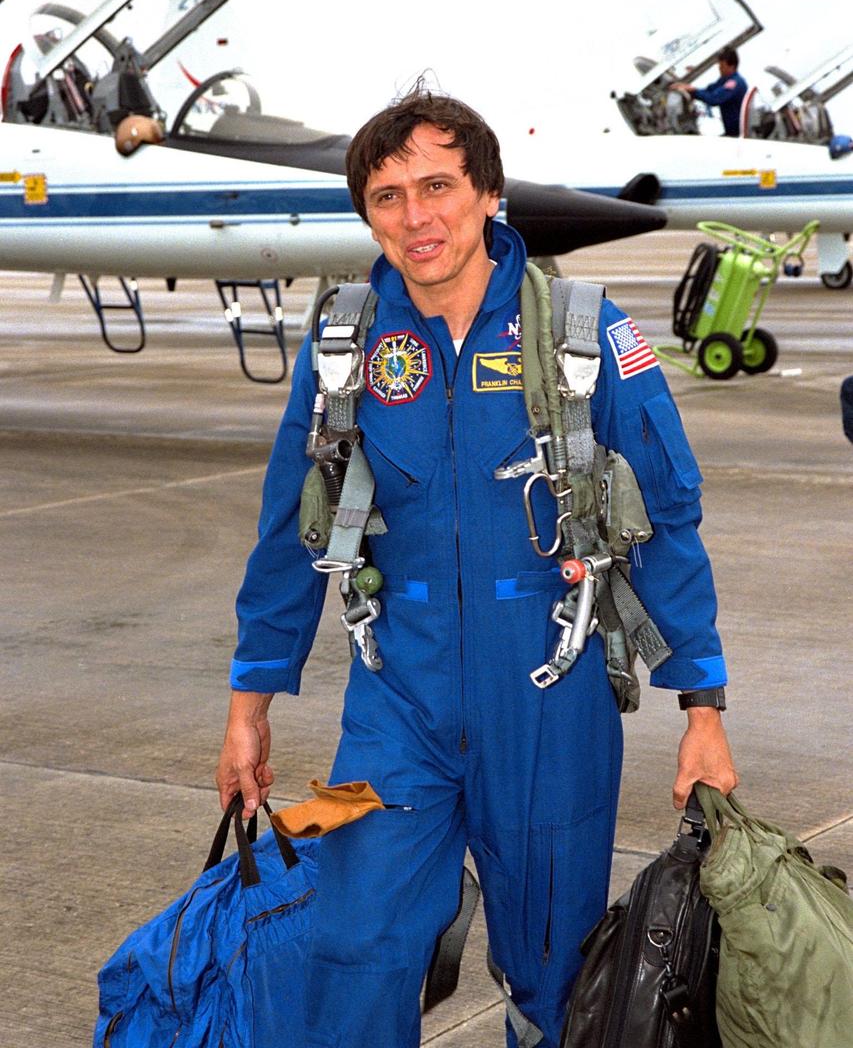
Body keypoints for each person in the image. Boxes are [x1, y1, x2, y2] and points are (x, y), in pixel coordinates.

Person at [215, 89, 738, 1048]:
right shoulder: (344, 342)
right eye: (386, 196)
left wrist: (700, 707)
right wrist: (250, 701)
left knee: (555, 967)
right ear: (365, 213)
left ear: (489, 194)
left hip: (550, 694)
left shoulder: (582, 334)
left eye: (438, 186)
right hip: (392, 703)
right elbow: (291, 529)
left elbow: (663, 517)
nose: (416, 218)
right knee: (353, 938)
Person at [672, 45, 748, 137]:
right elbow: (710, 89)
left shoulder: (735, 83)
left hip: (737, 134)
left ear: (731, 66)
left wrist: (694, 91)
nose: (719, 69)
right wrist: (690, 89)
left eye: (722, 66)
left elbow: (714, 99)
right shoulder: (725, 80)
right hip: (732, 132)